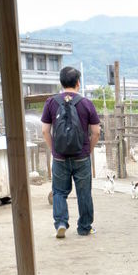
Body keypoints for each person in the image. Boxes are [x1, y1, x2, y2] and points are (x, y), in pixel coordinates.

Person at [41, 66, 101, 238]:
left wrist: (54, 150)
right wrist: (87, 150)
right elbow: (96, 132)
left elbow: (45, 130)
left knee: (59, 191)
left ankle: (60, 222)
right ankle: (84, 227)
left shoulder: (51, 102)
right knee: (84, 193)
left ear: (61, 82)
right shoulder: (86, 103)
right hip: (81, 156)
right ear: (78, 83)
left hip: (59, 157)